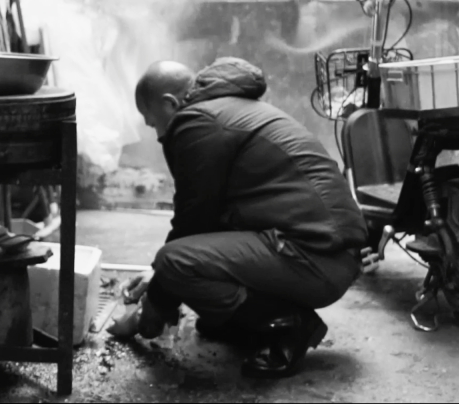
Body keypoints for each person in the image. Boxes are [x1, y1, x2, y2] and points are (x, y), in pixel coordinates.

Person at [107, 58, 368, 379]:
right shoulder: (227, 108)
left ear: (170, 103)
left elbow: (193, 224)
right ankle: (248, 323)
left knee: (175, 262)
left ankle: (290, 325)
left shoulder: (196, 123)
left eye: (153, 123)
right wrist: (155, 279)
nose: (158, 134)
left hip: (318, 260)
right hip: (328, 252)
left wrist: (153, 307)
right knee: (184, 273)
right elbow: (209, 221)